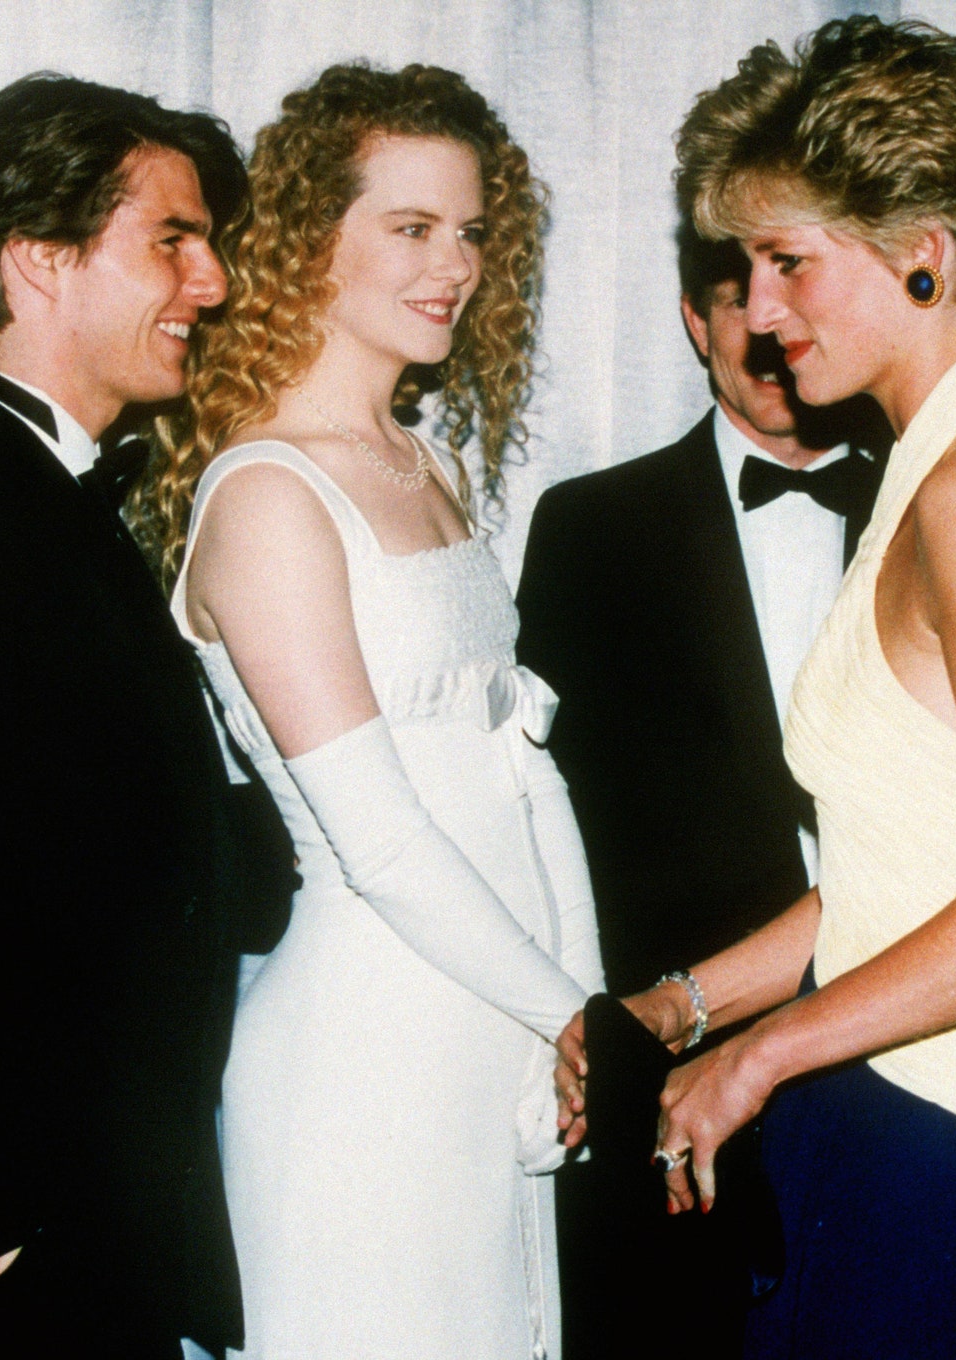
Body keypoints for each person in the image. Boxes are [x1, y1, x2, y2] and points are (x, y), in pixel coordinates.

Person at [556, 18, 956, 1358]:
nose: (760, 313)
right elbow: (917, 870)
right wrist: (683, 1009)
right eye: (747, 269)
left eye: (789, 263)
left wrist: (761, 1053)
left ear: (923, 256)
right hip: (914, 1119)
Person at [0, 75, 297, 1359]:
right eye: (170, 241)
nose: (210, 283)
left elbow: (114, 859)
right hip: (8, 1230)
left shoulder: (34, 506)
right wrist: (0, 1228)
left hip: (67, 1218)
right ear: (36, 261)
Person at [131, 62, 603, 1358]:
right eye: (410, 228)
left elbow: (523, 772)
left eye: (470, 232)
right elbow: (381, 843)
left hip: (494, 1032)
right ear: (304, 244)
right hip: (364, 1060)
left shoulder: (433, 463)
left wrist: (580, 1018)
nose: (452, 265)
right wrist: (574, 1020)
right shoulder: (268, 494)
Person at [515, 220, 887, 1359]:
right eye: (735, 301)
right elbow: (548, 818)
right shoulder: (589, 527)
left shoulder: (941, 510)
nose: (770, 334)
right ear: (692, 320)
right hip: (678, 1088)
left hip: (912, 1054)